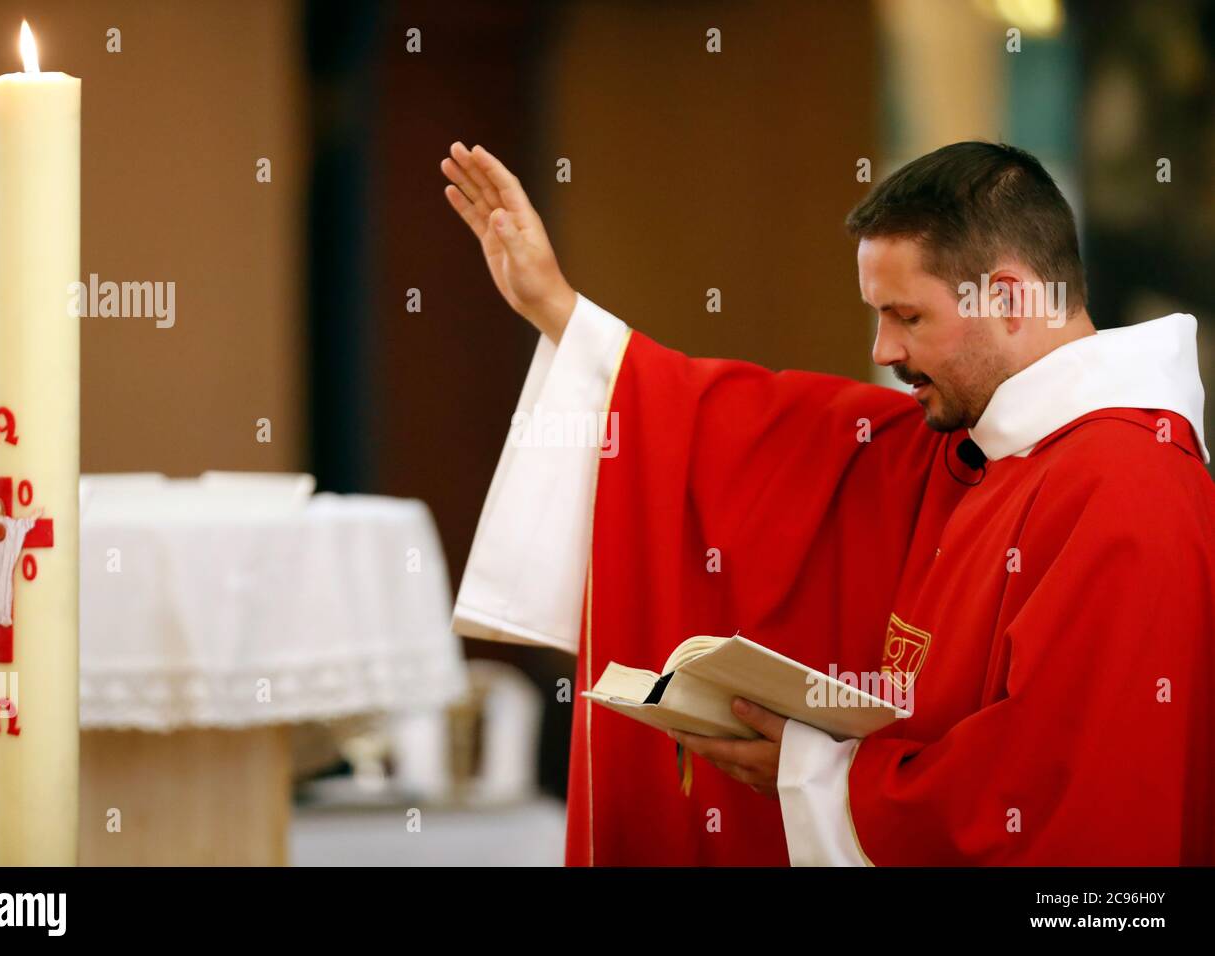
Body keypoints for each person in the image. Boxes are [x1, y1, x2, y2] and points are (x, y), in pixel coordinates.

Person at [441, 140, 1215, 866]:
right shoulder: (984, 443)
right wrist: (560, 313)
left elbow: (1065, 801)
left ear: (1008, 298)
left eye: (908, 316)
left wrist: (820, 772)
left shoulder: (1126, 488)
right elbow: (761, 436)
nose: (884, 351)